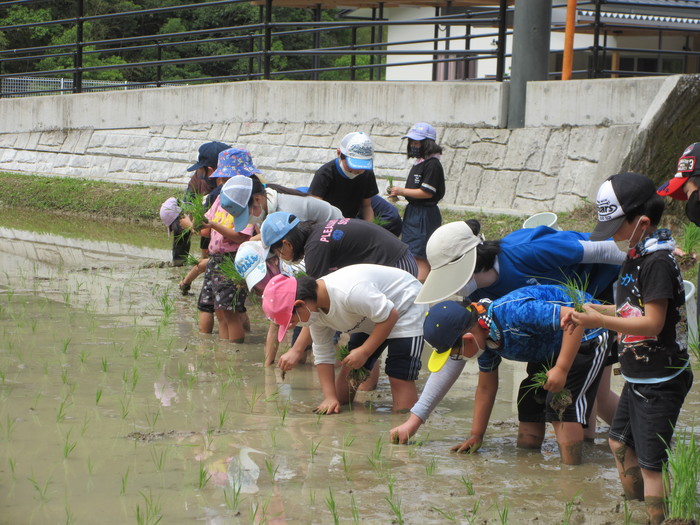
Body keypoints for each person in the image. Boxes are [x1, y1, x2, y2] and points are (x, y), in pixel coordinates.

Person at [391, 219, 624, 445]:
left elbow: (606, 251)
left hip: (602, 295)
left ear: (468, 263)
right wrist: (416, 419)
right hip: (554, 331)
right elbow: (456, 353)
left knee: (595, 398)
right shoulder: (477, 302)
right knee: (576, 399)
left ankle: (630, 442)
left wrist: (636, 305)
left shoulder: (526, 252)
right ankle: (599, 445)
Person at [564, 172, 692, 524]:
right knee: (619, 443)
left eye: (618, 226)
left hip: (660, 379)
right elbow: (629, 309)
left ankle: (659, 518)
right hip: (640, 376)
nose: (615, 235)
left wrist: (601, 322)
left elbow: (651, 322)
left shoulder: (657, 263)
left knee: (651, 465)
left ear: (643, 223)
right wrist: (590, 311)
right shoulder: (635, 255)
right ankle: (633, 509)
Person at [418, 286, 610, 465]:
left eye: (456, 355)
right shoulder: (484, 342)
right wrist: (477, 435)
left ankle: (572, 472)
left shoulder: (515, 313)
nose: (459, 359)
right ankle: (528, 460)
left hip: (588, 334)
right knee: (529, 401)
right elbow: (485, 388)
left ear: (468, 339)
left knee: (561, 404)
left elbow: (576, 319)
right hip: (550, 347)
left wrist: (561, 368)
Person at [263, 212, 418, 375]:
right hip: (396, 259)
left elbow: (313, 302)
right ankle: (367, 381)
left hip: (397, 269)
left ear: (286, 244)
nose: (281, 258)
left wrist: (297, 349)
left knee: (372, 335)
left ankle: (378, 373)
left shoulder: (315, 249)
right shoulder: (316, 235)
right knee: (365, 336)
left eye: (278, 253)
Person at [261, 265, 428, 414]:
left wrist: (365, 351)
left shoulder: (349, 292)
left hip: (405, 307)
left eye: (292, 321)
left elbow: (391, 315)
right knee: (344, 389)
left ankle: (405, 426)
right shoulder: (315, 312)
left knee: (399, 379)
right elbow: (322, 353)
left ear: (300, 304)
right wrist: (329, 397)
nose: (292, 326)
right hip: (370, 317)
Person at [198, 148, 258, 342]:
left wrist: (214, 225)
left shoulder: (247, 203)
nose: (220, 182)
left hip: (232, 260)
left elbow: (242, 238)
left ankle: (236, 353)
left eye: (224, 178)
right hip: (216, 260)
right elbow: (206, 226)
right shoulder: (220, 198)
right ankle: (225, 353)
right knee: (219, 310)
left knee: (230, 311)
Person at [389, 123, 446, 281]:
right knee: (412, 251)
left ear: (428, 143)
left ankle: (419, 288)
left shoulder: (433, 165)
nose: (413, 146)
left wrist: (402, 191)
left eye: (417, 142)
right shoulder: (420, 163)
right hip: (414, 212)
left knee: (419, 254)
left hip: (423, 215)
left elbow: (427, 193)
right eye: (412, 142)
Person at [173, 141, 229, 266]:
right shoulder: (198, 178)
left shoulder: (227, 191)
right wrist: (191, 221)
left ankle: (207, 259)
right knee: (179, 219)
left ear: (209, 170)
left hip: (221, 226)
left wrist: (195, 226)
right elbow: (187, 204)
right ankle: (179, 262)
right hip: (204, 218)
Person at [308, 132, 379, 221]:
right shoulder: (325, 174)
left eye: (362, 167)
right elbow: (315, 208)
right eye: (352, 166)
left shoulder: (367, 174)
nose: (357, 171)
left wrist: (370, 228)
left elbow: (366, 206)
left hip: (349, 221)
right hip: (326, 221)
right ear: (339, 153)